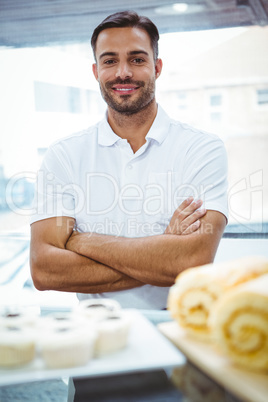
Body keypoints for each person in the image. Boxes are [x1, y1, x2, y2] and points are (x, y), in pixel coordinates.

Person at [30, 11, 228, 309]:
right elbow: (44, 270)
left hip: (176, 327)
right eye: (110, 61)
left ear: (157, 67)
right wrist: (163, 253)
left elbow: (193, 260)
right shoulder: (64, 155)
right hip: (95, 331)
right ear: (96, 71)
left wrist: (81, 241)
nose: (123, 72)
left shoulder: (201, 149)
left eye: (137, 59)